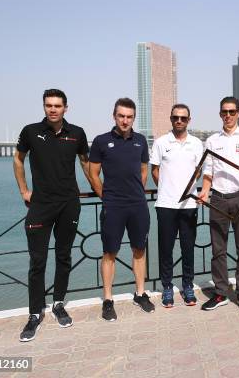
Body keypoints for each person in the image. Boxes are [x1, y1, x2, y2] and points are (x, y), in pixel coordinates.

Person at [14, 88, 91, 342]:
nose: (53, 109)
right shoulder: (30, 132)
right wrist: (24, 190)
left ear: (66, 108)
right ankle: (35, 313)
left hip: (69, 203)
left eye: (58, 105)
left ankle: (58, 304)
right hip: (41, 205)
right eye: (49, 105)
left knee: (64, 255)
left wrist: (101, 189)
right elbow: (18, 160)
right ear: (44, 107)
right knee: (37, 262)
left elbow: (85, 163)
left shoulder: (77, 133)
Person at [88, 97, 155, 321]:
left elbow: (144, 169)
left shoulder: (141, 141)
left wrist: (137, 191)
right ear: (114, 116)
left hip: (138, 205)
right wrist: (105, 196)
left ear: (133, 118)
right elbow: (93, 174)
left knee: (139, 250)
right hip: (113, 206)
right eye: (121, 116)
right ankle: (108, 299)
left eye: (129, 116)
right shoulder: (100, 141)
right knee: (109, 253)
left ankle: (140, 293)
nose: (125, 120)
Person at [198, 96, 239, 311]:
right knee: (218, 250)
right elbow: (208, 171)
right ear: (220, 114)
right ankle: (221, 293)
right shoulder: (212, 141)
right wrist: (204, 192)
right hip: (218, 199)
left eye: (232, 112)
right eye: (224, 112)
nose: (228, 116)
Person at [150, 104, 203, 307]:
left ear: (189, 120)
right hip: (165, 205)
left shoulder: (197, 143)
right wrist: (166, 188)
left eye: (183, 118)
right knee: (166, 248)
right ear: (170, 119)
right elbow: (155, 170)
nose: (179, 121)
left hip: (189, 204)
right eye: (175, 117)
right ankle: (167, 288)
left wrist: (186, 189)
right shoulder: (161, 142)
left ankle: (188, 285)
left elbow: (198, 171)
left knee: (188, 248)